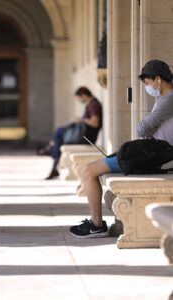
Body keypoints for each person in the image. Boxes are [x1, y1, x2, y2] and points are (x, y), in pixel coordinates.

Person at [69, 59, 173, 238]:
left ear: (158, 79)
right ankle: (96, 223)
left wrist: (149, 128)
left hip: (156, 156)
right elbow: (146, 130)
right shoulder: (164, 100)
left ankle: (96, 225)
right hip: (153, 153)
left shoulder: (167, 101)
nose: (148, 87)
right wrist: (149, 128)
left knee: (89, 171)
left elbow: (141, 129)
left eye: (147, 83)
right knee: (92, 169)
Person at [42, 87, 103, 180]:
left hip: (86, 138)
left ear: (83, 95)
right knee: (59, 137)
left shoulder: (93, 105)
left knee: (59, 132)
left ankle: (50, 150)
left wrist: (80, 119)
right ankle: (53, 161)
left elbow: (95, 123)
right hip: (84, 135)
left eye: (79, 98)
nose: (79, 100)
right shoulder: (91, 104)